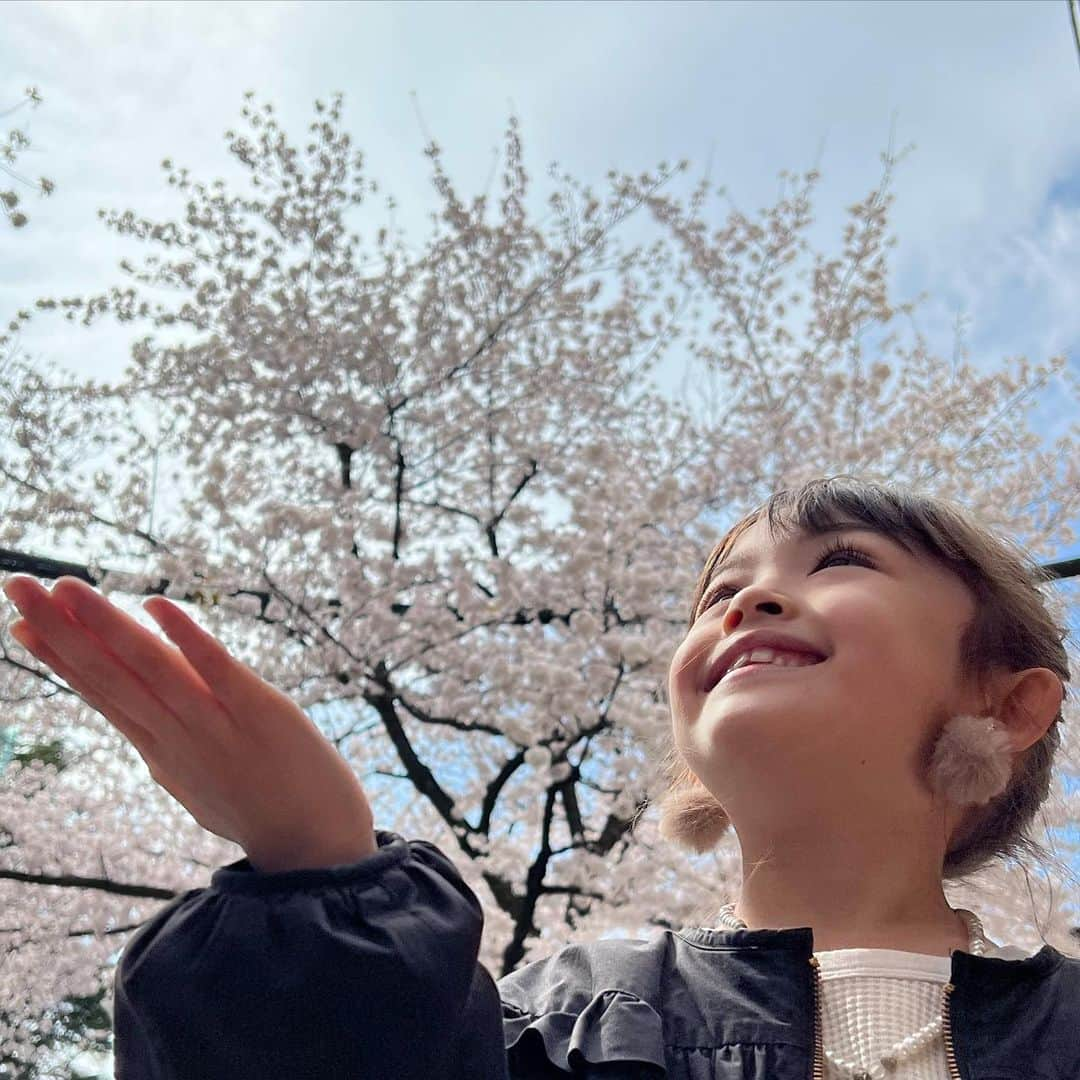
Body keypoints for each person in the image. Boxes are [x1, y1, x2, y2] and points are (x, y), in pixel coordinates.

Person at [3, 475, 1077, 1079]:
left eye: (840, 563)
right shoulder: (563, 1020)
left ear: (1008, 700)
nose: (748, 603)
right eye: (721, 593)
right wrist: (315, 874)